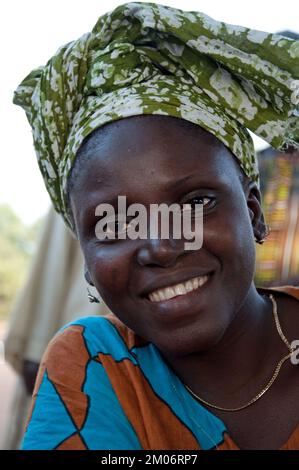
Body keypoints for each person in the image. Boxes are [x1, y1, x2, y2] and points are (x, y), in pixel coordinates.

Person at [13, 2, 299, 450]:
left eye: (196, 202)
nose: (163, 246)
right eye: (117, 223)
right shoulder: (94, 365)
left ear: (253, 212)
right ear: (87, 260)